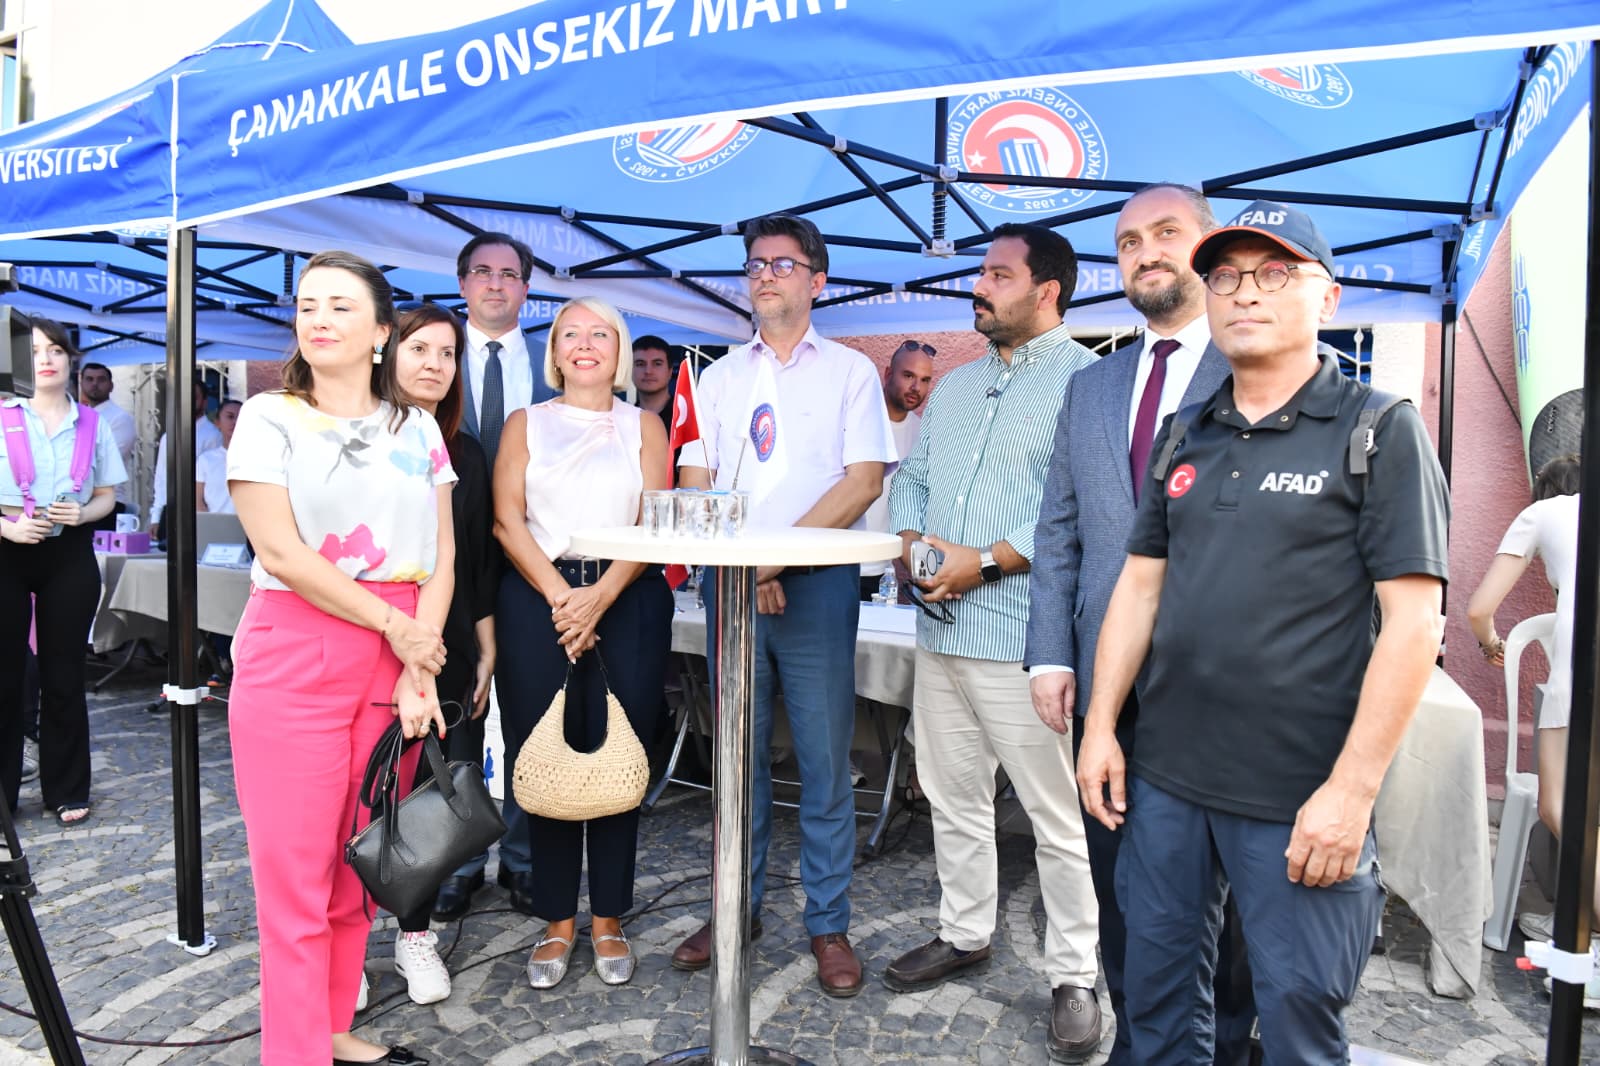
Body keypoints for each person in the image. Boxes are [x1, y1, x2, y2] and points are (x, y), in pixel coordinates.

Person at [1075, 201, 1448, 1062]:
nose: (1246, 292)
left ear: (1329, 297)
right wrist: (1100, 728)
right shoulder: (1186, 433)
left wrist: (1352, 793)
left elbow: (1412, 623)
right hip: (1166, 782)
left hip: (1299, 793)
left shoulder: (1378, 429)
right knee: (1156, 1008)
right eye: (1226, 276)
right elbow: (1138, 588)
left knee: (1297, 1024)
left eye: (1276, 273)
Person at [1025, 183, 1252, 1065]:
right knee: (1121, 885)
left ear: (1208, 248)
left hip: (1222, 681)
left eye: (1165, 233)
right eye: (1127, 242)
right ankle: (1138, 1041)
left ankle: (1225, 1045)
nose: (1145, 252)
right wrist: (1050, 653)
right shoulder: (1092, 384)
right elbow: (1059, 528)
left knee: (1225, 897)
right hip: (1104, 685)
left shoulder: (1255, 365)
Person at [227, 250, 455, 1066]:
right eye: (306, 305)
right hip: (296, 647)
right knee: (293, 879)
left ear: (382, 332)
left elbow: (441, 558)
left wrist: (419, 667)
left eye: (339, 306)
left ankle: (329, 1030)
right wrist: (398, 632)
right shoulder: (269, 417)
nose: (317, 319)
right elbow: (282, 554)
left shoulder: (417, 426)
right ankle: (295, 1053)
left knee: (361, 863)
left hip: (396, 656)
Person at [886, 224, 1103, 1061]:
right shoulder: (955, 384)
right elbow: (914, 477)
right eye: (982, 272)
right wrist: (913, 544)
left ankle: (1075, 974)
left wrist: (982, 561)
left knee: (1056, 816)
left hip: (1024, 639)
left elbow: (1080, 509)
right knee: (953, 797)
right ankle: (965, 931)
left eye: (997, 275)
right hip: (937, 631)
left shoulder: (1088, 382)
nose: (979, 286)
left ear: (1047, 290)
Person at [675, 213, 897, 996]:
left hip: (815, 587)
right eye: (755, 264)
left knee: (824, 759)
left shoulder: (851, 372)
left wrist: (772, 559)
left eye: (782, 263)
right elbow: (697, 480)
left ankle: (827, 922)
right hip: (731, 586)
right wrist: (742, 563)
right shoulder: (718, 377)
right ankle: (735, 908)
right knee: (735, 759)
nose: (765, 275)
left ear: (817, 281)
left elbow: (861, 482)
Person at [492, 296, 672, 989]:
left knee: (621, 752)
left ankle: (609, 918)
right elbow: (507, 521)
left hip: (626, 597)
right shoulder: (525, 422)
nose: (586, 343)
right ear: (555, 351)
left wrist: (599, 597)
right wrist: (563, 597)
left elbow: (654, 521)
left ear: (619, 349)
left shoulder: (645, 425)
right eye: (572, 333)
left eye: (601, 333)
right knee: (544, 752)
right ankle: (557, 920)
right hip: (538, 597)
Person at [378, 303, 500, 1003]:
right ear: (386, 351)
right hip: (369, 629)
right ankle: (344, 941)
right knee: (364, 788)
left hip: (447, 638)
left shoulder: (467, 453)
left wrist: (486, 645)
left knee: (433, 790)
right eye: (419, 348)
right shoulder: (357, 439)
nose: (434, 364)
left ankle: (415, 936)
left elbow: (475, 560)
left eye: (447, 353)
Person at [455, 231, 556, 915]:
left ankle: (523, 858)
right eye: (483, 272)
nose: (496, 284)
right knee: (457, 718)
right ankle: (458, 860)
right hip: (451, 562)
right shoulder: (427, 355)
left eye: (509, 274)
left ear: (526, 287)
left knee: (528, 714)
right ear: (463, 283)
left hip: (529, 561)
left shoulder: (553, 366)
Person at [0, 319, 126, 826]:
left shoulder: (92, 423)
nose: (45, 360)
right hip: (7, 546)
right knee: (5, 677)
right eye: (33, 351)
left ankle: (68, 790)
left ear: (70, 359)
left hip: (69, 552)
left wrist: (83, 513)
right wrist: (8, 529)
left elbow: (107, 496)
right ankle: (3, 798)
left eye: (54, 350)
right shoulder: (2, 415)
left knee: (65, 675)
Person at [1467, 457, 1589, 974]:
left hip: (1583, 664)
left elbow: (1480, 609)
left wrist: (1492, 644)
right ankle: (1583, 923)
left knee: (1558, 807)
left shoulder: (1544, 512)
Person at [860, 339, 933, 600]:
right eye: (908, 375)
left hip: (882, 572)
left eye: (925, 380)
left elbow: (922, 510)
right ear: (888, 374)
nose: (916, 387)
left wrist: (927, 574)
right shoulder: (857, 420)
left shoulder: (924, 434)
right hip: (838, 563)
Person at [149, 377, 224, 541]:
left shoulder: (214, 435)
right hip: (170, 509)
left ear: (204, 402)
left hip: (199, 512)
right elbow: (162, 478)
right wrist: (156, 515)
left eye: (193, 397)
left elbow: (212, 483)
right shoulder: (169, 436)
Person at [77, 360, 136, 528]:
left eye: (101, 379)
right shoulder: (78, 415)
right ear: (81, 383)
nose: (95, 384)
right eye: (89, 379)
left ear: (111, 386)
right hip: (80, 501)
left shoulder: (120, 419)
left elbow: (106, 459)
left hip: (108, 503)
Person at [195, 398, 241, 514]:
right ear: (217, 423)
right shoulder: (205, 460)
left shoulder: (259, 460)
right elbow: (198, 501)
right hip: (215, 523)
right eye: (230, 417)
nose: (235, 422)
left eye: (241, 417)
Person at [631, 334, 674, 433]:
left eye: (657, 364)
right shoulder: (622, 420)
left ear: (670, 371)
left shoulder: (686, 419)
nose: (648, 371)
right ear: (630, 370)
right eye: (640, 364)